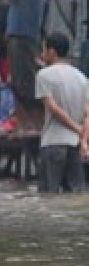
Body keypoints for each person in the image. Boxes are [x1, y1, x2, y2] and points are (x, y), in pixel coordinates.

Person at [34, 32, 89, 193]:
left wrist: (78, 129)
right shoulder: (82, 78)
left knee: (48, 195)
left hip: (53, 142)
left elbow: (54, 109)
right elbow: (87, 113)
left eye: (43, 50)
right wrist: (83, 139)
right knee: (75, 194)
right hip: (75, 144)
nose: (42, 54)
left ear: (52, 51)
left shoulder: (44, 75)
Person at [4, 0, 45, 116]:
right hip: (17, 31)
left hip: (25, 33)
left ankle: (32, 116)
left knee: (26, 77)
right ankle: (23, 116)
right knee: (18, 77)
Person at [41, 0, 85, 69]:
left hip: (69, 51)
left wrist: (76, 52)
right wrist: (44, 49)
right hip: (51, 51)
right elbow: (44, 26)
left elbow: (81, 22)